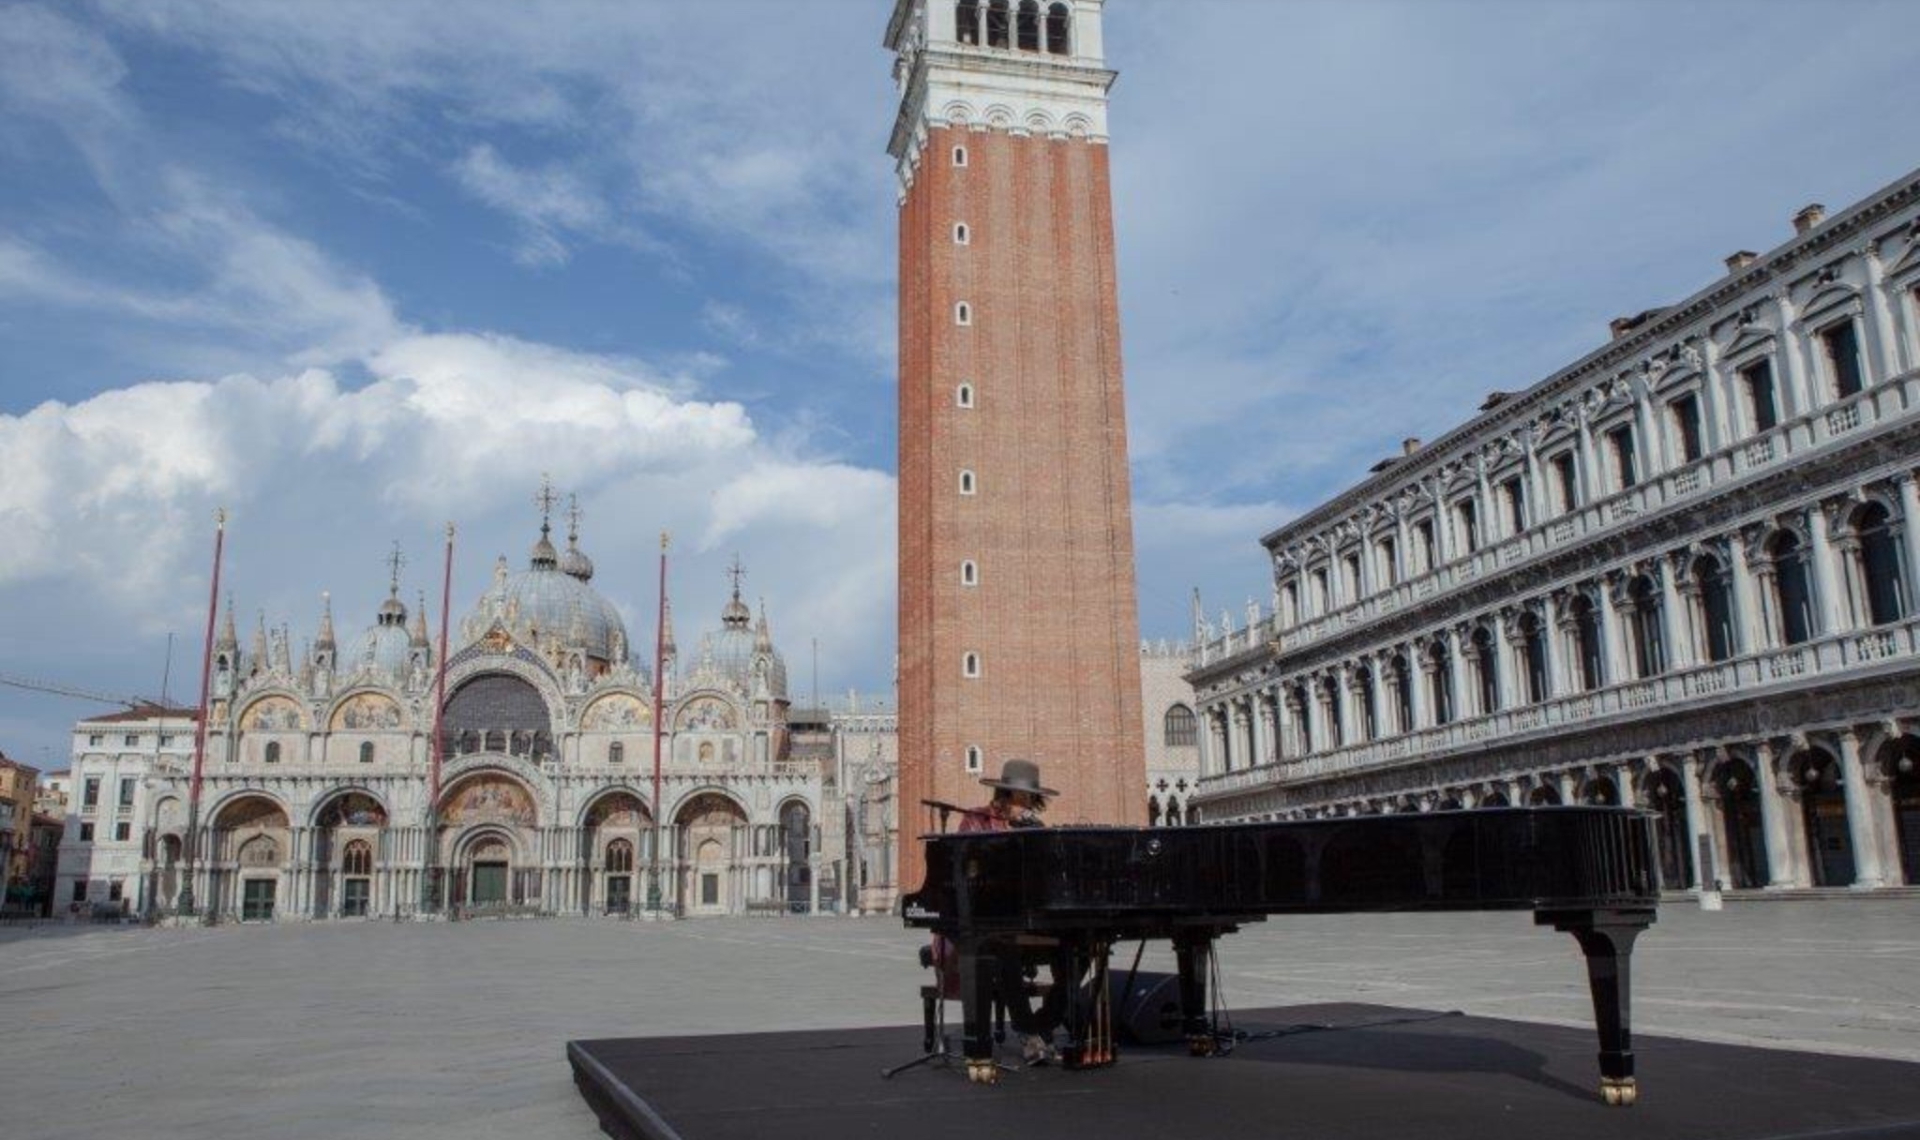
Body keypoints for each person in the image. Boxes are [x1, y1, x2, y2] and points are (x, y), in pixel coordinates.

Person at [939, 759, 1068, 1064]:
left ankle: (1041, 1025)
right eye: (1018, 797)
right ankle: (1029, 1035)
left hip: (1030, 920)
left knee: (1080, 949)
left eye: (1028, 798)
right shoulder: (976, 821)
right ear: (1004, 794)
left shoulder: (1034, 828)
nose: (1023, 804)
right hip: (984, 919)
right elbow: (964, 869)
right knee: (1002, 947)